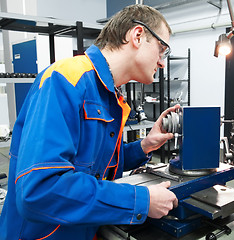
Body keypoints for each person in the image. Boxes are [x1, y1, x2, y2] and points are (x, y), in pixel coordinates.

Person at [0, 4, 179, 240]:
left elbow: (93, 166)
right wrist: (140, 200)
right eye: (162, 49)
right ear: (137, 36)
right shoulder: (65, 80)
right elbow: (39, 191)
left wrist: (145, 145)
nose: (162, 63)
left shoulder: (108, 93)